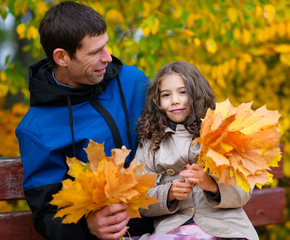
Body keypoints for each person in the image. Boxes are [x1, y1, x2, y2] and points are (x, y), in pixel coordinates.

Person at [15, 2, 152, 240]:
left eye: (106, 45)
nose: (108, 57)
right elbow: (47, 215)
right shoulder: (36, 129)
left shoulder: (133, 82)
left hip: (168, 223)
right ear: (62, 57)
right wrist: (87, 227)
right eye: (94, 52)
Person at [135, 61, 259, 240]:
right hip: (175, 228)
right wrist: (168, 193)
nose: (175, 100)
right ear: (157, 101)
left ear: (197, 93)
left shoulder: (221, 134)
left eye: (183, 92)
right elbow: (139, 198)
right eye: (166, 95)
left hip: (226, 227)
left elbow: (242, 193)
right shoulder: (150, 143)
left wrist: (210, 184)